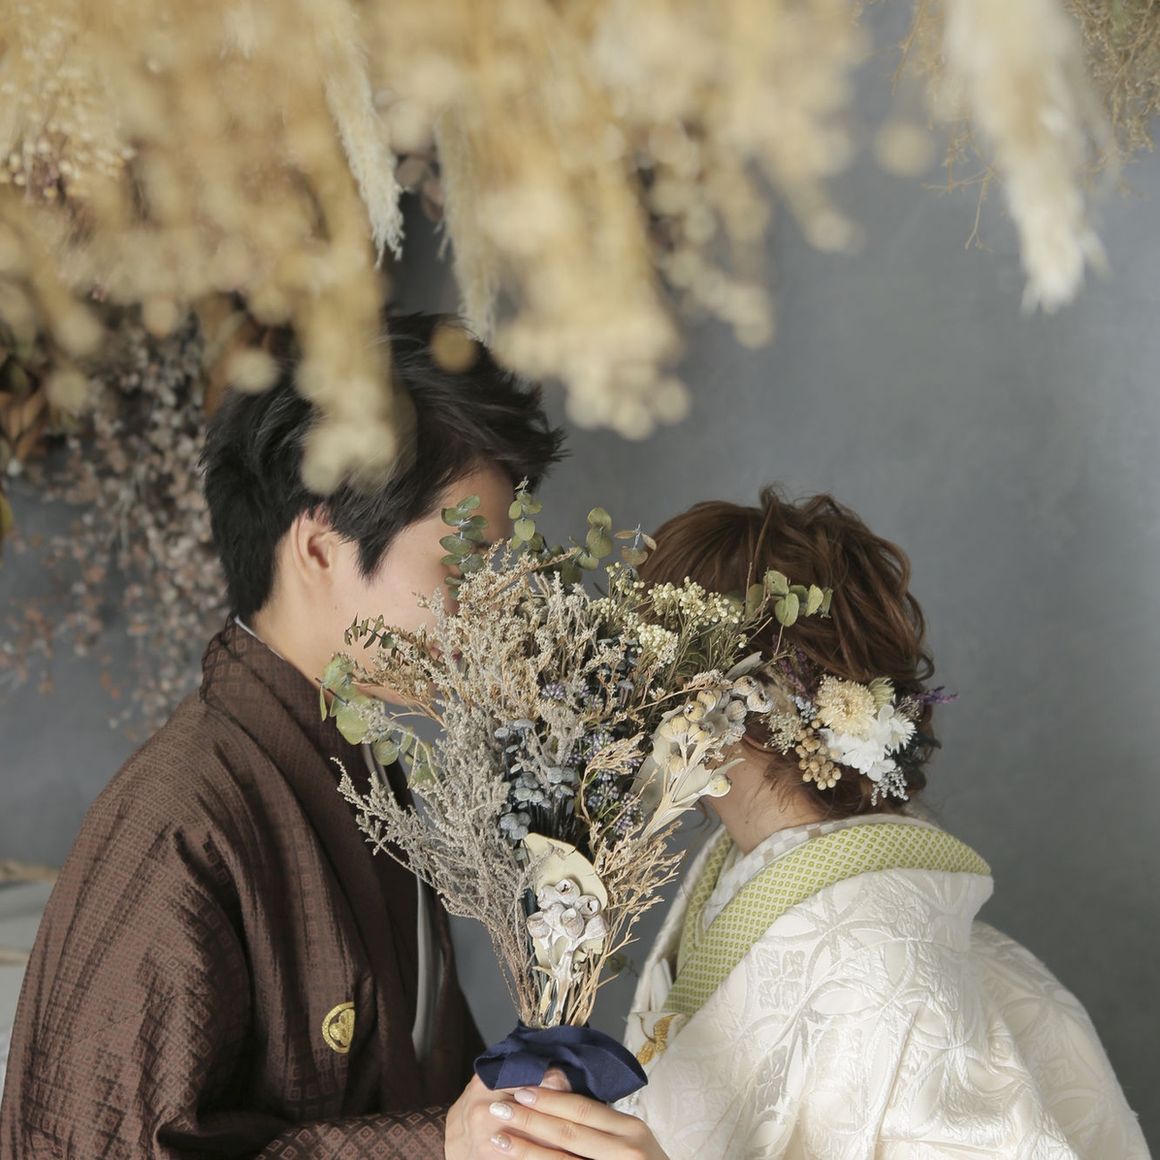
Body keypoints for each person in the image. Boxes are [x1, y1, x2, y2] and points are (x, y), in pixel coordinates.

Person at [0, 313, 564, 1159]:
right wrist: (441, 1144)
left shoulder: (366, 773)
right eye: (464, 565)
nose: (495, 610)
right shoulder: (179, 824)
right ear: (322, 546)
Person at [470, 490, 1149, 1159]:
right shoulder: (746, 879)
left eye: (641, 671)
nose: (620, 705)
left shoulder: (886, 960)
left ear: (731, 697)